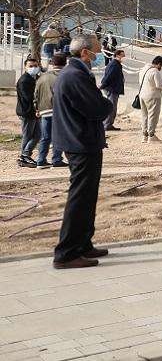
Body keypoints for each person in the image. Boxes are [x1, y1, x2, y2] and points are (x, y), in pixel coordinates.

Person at [51, 35, 112, 269]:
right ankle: (66, 252)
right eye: (97, 51)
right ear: (85, 53)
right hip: (80, 142)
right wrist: (105, 103)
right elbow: (98, 108)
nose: (99, 55)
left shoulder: (74, 74)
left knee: (88, 197)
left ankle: (83, 243)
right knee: (80, 198)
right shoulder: (75, 76)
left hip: (82, 140)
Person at [34, 53, 67, 169]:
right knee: (59, 136)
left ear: (52, 63)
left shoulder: (42, 77)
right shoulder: (64, 76)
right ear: (65, 63)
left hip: (44, 110)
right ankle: (56, 159)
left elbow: (36, 94)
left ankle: (40, 160)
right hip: (59, 111)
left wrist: (37, 108)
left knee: (45, 137)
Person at [136, 56, 162, 143]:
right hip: (153, 96)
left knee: (144, 115)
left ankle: (144, 135)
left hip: (142, 94)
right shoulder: (155, 71)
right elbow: (158, 85)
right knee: (153, 116)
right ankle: (151, 135)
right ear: (159, 64)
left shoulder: (143, 69)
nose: (161, 68)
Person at [16, 56, 41, 167]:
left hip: (34, 112)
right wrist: (37, 108)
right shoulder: (24, 80)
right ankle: (23, 157)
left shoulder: (36, 78)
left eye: (35, 66)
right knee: (28, 135)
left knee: (37, 135)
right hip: (27, 112)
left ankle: (25, 155)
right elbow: (29, 98)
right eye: (31, 66)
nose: (34, 68)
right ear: (25, 67)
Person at [99, 47, 126, 131]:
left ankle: (109, 124)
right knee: (111, 107)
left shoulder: (116, 64)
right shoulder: (114, 65)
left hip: (114, 88)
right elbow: (109, 76)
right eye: (122, 55)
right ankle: (107, 125)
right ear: (117, 55)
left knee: (113, 107)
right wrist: (102, 85)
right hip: (112, 89)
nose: (124, 57)